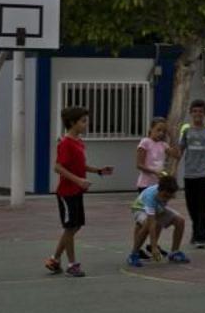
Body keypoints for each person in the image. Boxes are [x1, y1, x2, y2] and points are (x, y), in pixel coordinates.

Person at [48, 107, 113, 277]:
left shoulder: (78, 142)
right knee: (70, 227)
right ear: (72, 123)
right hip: (66, 193)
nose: (86, 124)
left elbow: (78, 166)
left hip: (76, 191)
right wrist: (78, 180)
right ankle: (72, 264)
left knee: (74, 226)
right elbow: (58, 167)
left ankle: (54, 259)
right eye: (83, 121)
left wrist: (98, 170)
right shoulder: (65, 143)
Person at [179, 99, 205, 248]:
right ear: (191, 113)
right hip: (189, 174)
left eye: (200, 111)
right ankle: (195, 230)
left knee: (203, 207)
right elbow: (180, 151)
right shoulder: (186, 131)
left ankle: (201, 238)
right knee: (192, 207)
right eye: (195, 111)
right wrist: (171, 169)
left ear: (204, 114)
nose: (198, 114)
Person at [127, 175, 191, 267]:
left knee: (180, 221)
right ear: (160, 190)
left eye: (169, 197)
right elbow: (152, 224)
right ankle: (134, 254)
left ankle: (174, 252)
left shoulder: (169, 190)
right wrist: (154, 247)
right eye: (165, 196)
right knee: (148, 225)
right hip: (140, 208)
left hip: (157, 208)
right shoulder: (150, 196)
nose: (166, 199)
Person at [136, 117, 177, 192]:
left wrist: (171, 136)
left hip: (159, 185)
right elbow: (139, 165)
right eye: (158, 130)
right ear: (151, 129)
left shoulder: (163, 144)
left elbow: (176, 155)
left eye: (164, 131)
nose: (161, 133)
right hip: (146, 185)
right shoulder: (145, 142)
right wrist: (155, 172)